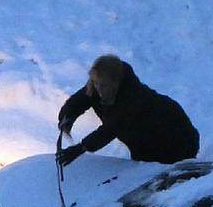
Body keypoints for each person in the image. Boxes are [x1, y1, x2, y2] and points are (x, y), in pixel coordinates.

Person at [56, 54, 199, 167]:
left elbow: (112, 128)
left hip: (177, 143)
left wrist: (81, 148)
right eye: (95, 83)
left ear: (115, 82)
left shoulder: (134, 97)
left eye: (103, 85)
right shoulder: (97, 86)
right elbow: (79, 100)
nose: (98, 88)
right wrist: (67, 118)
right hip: (143, 145)